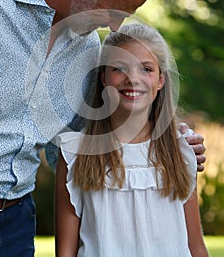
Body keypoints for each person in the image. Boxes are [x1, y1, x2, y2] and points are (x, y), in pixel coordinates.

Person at [0, 0, 205, 256]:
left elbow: (80, 146)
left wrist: (168, 143)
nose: (115, 27)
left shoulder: (87, 49)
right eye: (115, 13)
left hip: (16, 222)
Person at [55, 22, 209, 257]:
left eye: (146, 69)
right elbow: (66, 251)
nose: (132, 79)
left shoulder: (181, 150)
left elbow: (195, 245)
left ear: (160, 80)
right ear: (104, 78)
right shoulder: (74, 152)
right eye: (119, 68)